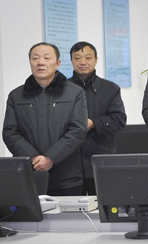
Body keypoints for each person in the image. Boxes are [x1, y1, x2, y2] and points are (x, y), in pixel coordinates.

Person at [3, 43, 88, 196]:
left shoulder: (75, 93)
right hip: (28, 174)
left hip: (66, 177)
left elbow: (78, 130)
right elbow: (10, 132)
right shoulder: (16, 96)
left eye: (47, 58)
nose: (40, 62)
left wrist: (51, 158)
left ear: (58, 63)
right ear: (30, 62)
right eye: (35, 58)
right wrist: (34, 157)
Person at [68, 41, 127, 194]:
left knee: (104, 205)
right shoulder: (62, 89)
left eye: (88, 58)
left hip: (100, 159)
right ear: (71, 61)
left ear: (96, 60)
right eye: (77, 58)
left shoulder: (110, 88)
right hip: (69, 165)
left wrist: (93, 123)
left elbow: (119, 119)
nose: (82, 62)